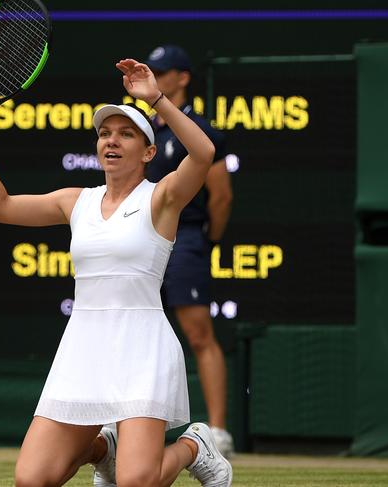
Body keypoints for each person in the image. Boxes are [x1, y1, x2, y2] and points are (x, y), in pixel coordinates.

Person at [0, 58, 232, 486]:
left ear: (149, 151)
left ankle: (195, 445)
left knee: (136, 482)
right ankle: (106, 447)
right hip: (83, 347)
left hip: (142, 348)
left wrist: (156, 99)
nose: (112, 141)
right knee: (31, 480)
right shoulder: (75, 200)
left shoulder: (163, 198)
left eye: (126, 134)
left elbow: (205, 152)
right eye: (104, 134)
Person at [143, 45, 235, 458]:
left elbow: (221, 196)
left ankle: (218, 431)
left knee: (199, 335)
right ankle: (130, 424)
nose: (157, 80)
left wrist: (205, 240)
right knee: (140, 336)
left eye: (164, 73)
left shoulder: (199, 130)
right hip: (144, 244)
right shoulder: (143, 132)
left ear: (182, 78)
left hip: (187, 240)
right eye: (154, 73)